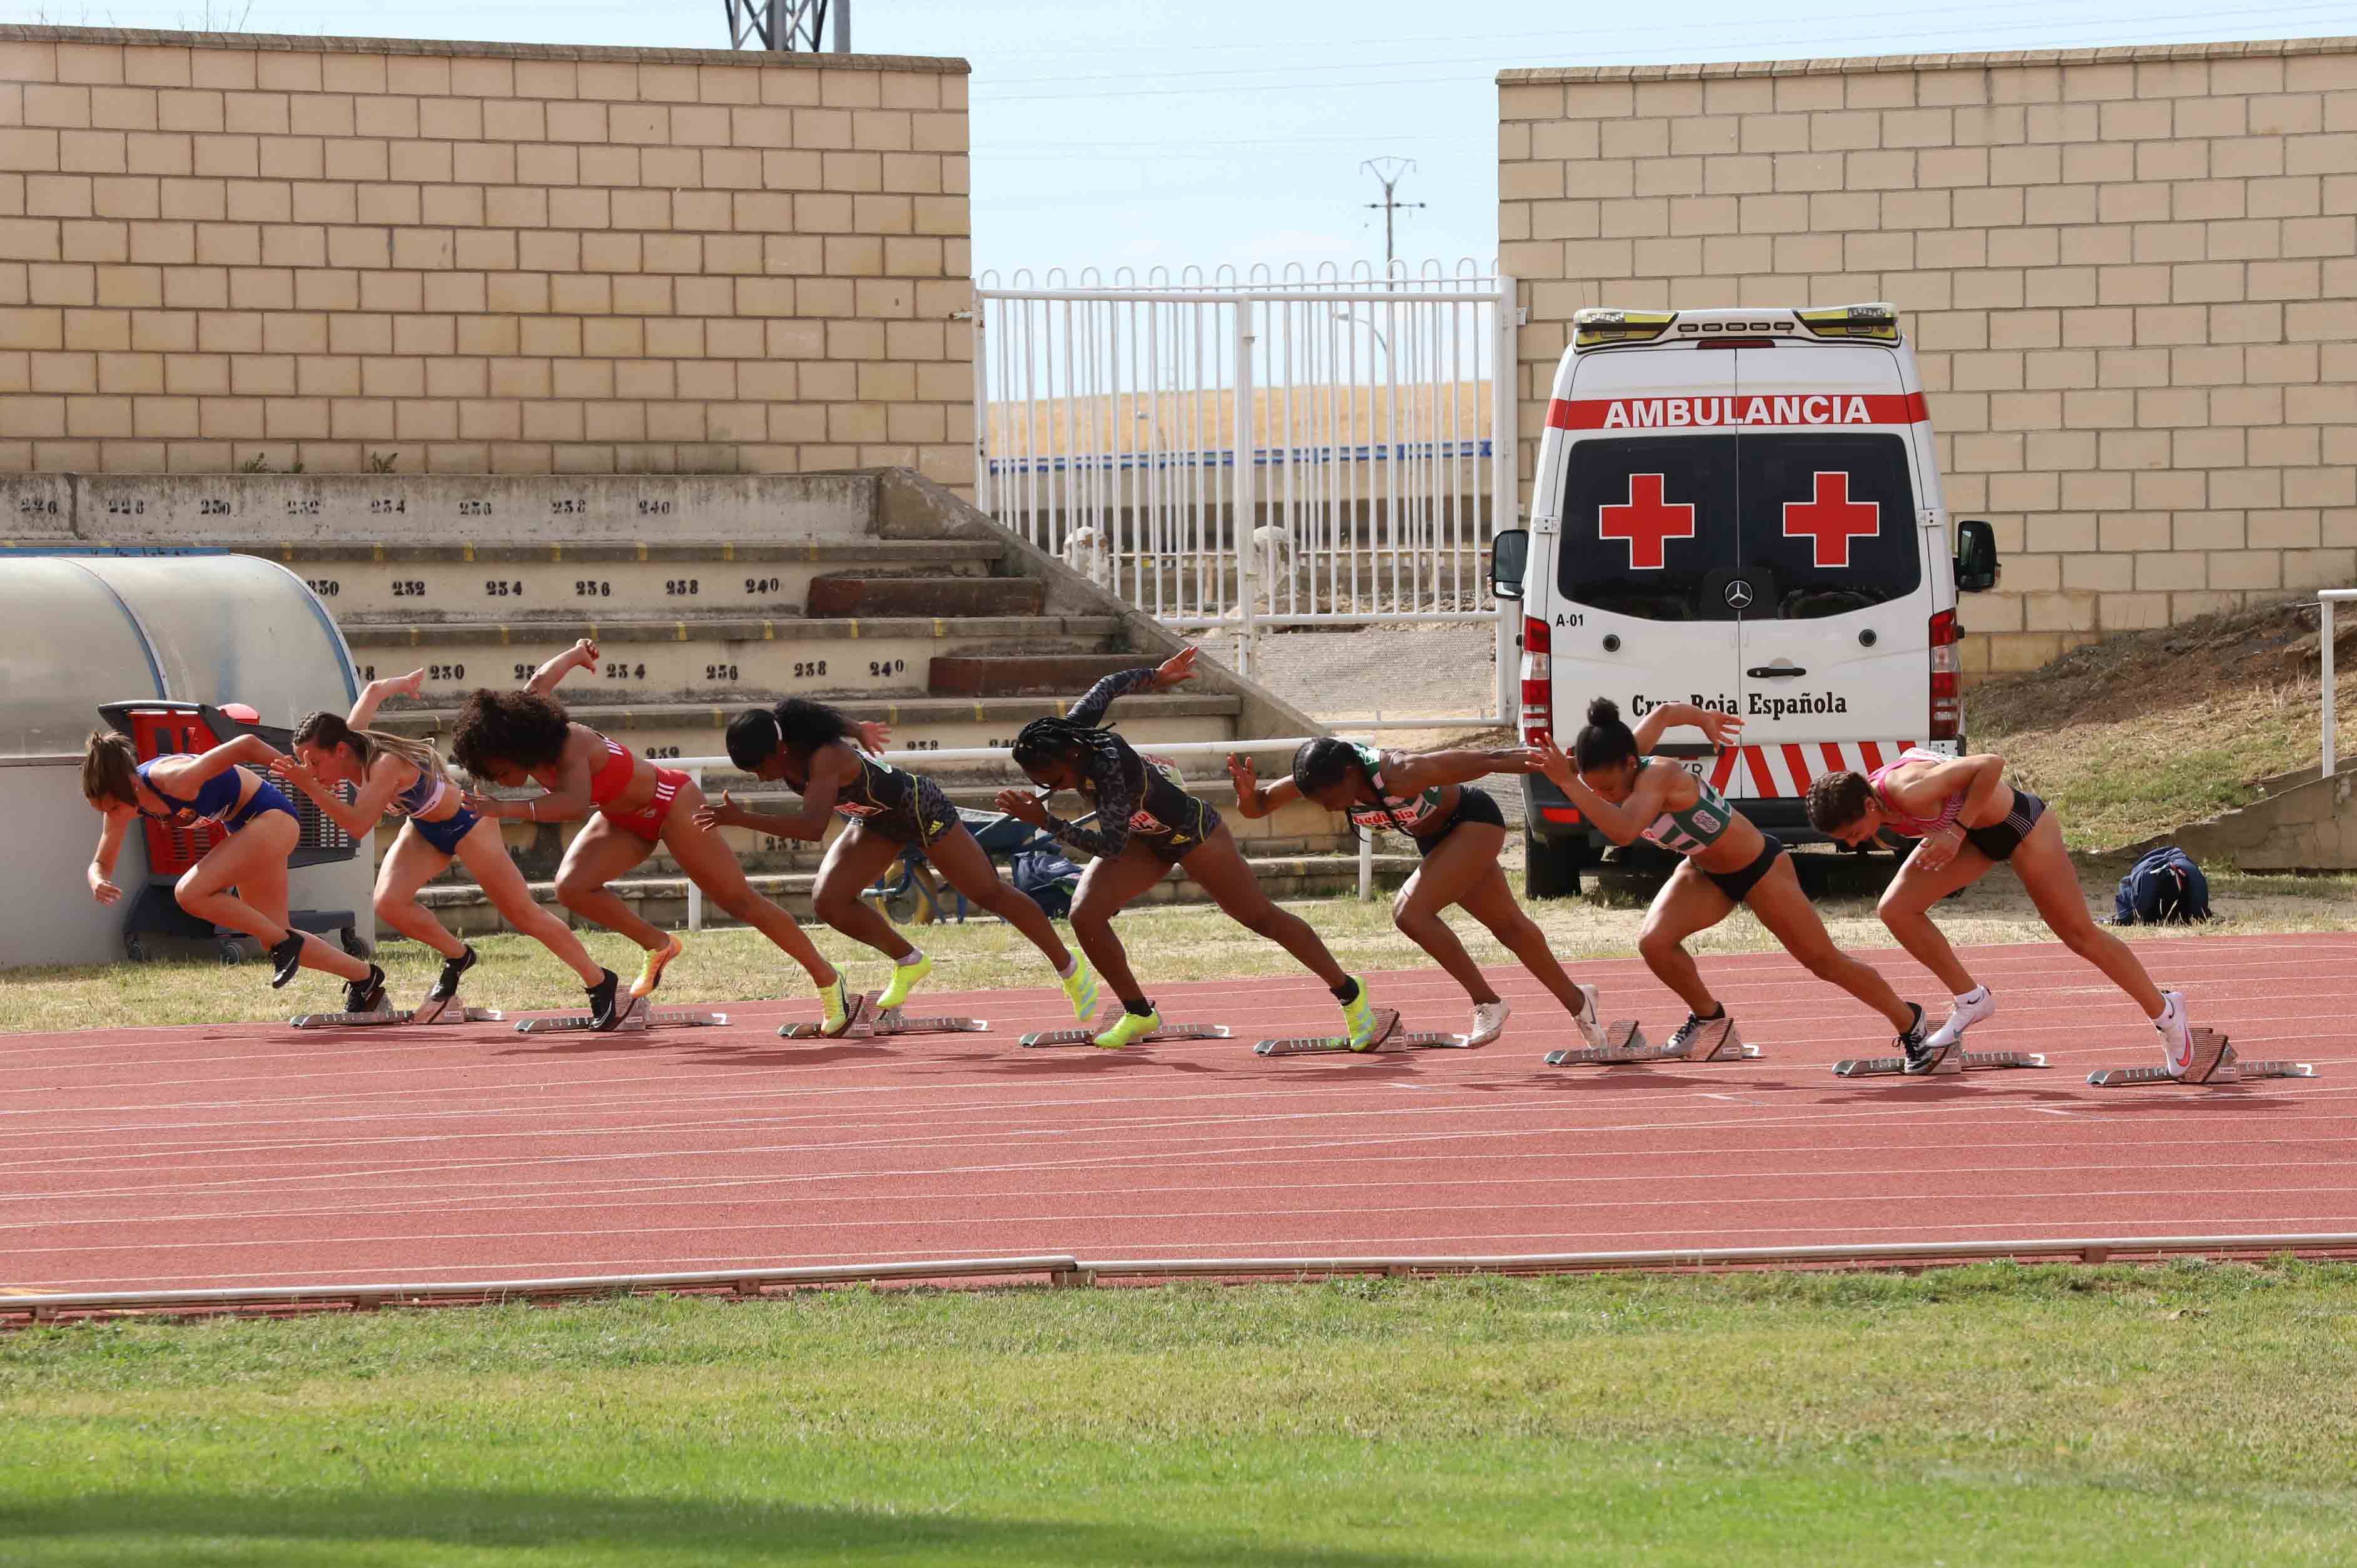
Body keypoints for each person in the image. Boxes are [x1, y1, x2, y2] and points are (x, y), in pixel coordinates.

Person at [447, 639, 856, 1035]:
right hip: (624, 818)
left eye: (500, 772)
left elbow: (573, 804)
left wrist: (504, 808)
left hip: (671, 805)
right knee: (571, 887)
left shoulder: (572, 746)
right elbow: (540, 677)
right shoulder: (523, 718)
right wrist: (575, 655)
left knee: (739, 900)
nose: (501, 781)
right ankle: (657, 943)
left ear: (515, 747)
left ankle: (828, 979)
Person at [995, 647, 1367, 1049]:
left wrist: (1046, 822)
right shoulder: (1072, 734)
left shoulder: (1113, 775)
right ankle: (1139, 1013)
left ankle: (1350, 992)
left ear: (1072, 756)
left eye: (1054, 778)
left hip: (1193, 836)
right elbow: (1109, 685)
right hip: (1145, 840)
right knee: (1085, 915)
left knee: (1261, 918)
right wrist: (1156, 676)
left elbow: (1110, 845)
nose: (1053, 788)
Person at [1534, 699, 1930, 1060]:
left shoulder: (1660, 777)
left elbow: (1622, 832)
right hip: (1704, 870)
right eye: (1593, 787)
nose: (1602, 795)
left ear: (1631, 764)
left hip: (1759, 868)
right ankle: (1711, 1022)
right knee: (1654, 944)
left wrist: (1568, 783)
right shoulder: (1622, 752)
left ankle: (1910, 1022)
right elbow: (1666, 714)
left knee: (1824, 961)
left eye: (1607, 788)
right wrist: (1703, 719)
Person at [1805, 749, 2207, 1077]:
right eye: (1847, 840)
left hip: (2021, 827)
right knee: (1895, 910)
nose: (1857, 843)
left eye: (1855, 833)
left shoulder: (1906, 792)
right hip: (1977, 837)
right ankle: (1971, 999)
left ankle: (2167, 1012)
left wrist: (1954, 831)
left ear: (1868, 803)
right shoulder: (1874, 802)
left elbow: (1991, 763)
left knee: (2079, 935)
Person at [699, 696, 1100, 1024]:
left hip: (920, 810)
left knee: (990, 893)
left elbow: (811, 828)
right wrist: (858, 729)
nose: (759, 778)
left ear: (780, 749)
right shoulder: (794, 747)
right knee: (829, 901)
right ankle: (909, 961)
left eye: (758, 768)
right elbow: (823, 717)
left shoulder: (824, 759)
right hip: (877, 819)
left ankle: (1071, 970)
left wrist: (740, 819)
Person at [271, 667, 622, 1029]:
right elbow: (374, 689)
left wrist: (310, 788)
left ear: (341, 750)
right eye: (303, 763)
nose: (309, 771)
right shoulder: (349, 739)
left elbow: (359, 825)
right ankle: (458, 956)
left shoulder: (385, 764)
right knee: (389, 903)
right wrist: (403, 685)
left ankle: (600, 982)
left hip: (470, 824)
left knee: (523, 914)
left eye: (314, 762)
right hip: (425, 826)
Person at [1229, 733, 1601, 1051]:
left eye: (1328, 796)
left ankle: (1487, 1002)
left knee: (1410, 914)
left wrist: (1558, 766)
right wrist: (1246, 797)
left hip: (1472, 822)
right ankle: (1581, 1003)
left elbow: (1488, 759)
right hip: (1437, 843)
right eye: (1315, 799)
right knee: (1509, 927)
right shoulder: (1317, 776)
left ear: (1350, 772)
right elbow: (1259, 806)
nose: (1326, 806)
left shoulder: (1401, 771)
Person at [81, 727, 385, 1011]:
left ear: (132, 784)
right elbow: (101, 862)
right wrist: (98, 881)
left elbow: (246, 744)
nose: (111, 816)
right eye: (103, 810)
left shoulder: (174, 779)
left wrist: (297, 774)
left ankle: (285, 944)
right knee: (273, 934)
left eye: (113, 808)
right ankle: (365, 979)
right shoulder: (123, 801)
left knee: (189, 893)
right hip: (247, 827)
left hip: (271, 817)